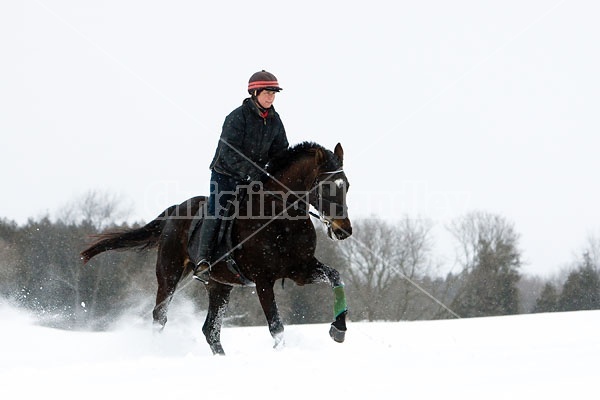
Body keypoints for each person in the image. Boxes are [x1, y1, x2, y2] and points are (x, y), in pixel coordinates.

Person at [192, 70, 289, 282]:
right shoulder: (236, 117)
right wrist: (254, 173)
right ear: (254, 93)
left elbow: (280, 151)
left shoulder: (275, 120)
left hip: (253, 177)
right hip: (225, 173)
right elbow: (229, 153)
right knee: (217, 209)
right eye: (267, 92)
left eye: (274, 93)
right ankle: (203, 261)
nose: (271, 97)